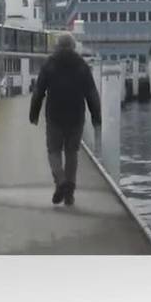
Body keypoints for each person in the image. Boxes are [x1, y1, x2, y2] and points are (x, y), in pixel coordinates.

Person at [28, 33, 100, 206]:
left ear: (58, 46)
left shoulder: (49, 64)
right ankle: (70, 193)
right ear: (74, 46)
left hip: (55, 115)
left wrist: (34, 114)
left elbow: (38, 91)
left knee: (53, 151)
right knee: (71, 153)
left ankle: (60, 182)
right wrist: (96, 117)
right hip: (76, 116)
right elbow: (92, 94)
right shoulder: (82, 65)